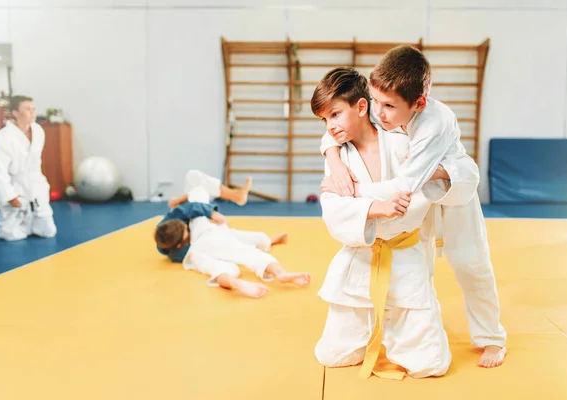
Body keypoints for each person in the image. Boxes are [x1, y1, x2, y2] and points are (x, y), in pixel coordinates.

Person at [320, 45, 507, 368]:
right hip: (421, 193)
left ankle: (492, 338)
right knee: (420, 267)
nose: (379, 112)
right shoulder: (387, 113)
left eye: (388, 105)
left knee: (470, 265)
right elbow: (341, 123)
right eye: (376, 103)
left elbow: (404, 189)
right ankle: (425, 321)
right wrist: (332, 156)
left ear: (419, 103)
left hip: (455, 189)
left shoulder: (435, 123)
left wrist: (352, 191)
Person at [154, 170, 310, 298]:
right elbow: (194, 203)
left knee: (221, 268)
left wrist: (202, 211)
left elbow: (187, 210)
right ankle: (280, 272)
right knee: (248, 252)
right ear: (180, 243)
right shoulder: (197, 223)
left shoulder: (184, 249)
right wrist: (209, 213)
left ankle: (237, 282)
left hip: (211, 243)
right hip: (210, 235)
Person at [0, 95, 57, 241]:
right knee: (12, 235)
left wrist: (39, 186)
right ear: (14, 113)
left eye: (33, 109)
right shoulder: (4, 137)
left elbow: (34, 162)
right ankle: (13, 225)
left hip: (35, 184)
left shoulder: (38, 131)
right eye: (27, 109)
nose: (32, 112)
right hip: (16, 186)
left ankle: (34, 224)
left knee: (48, 231)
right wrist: (9, 195)